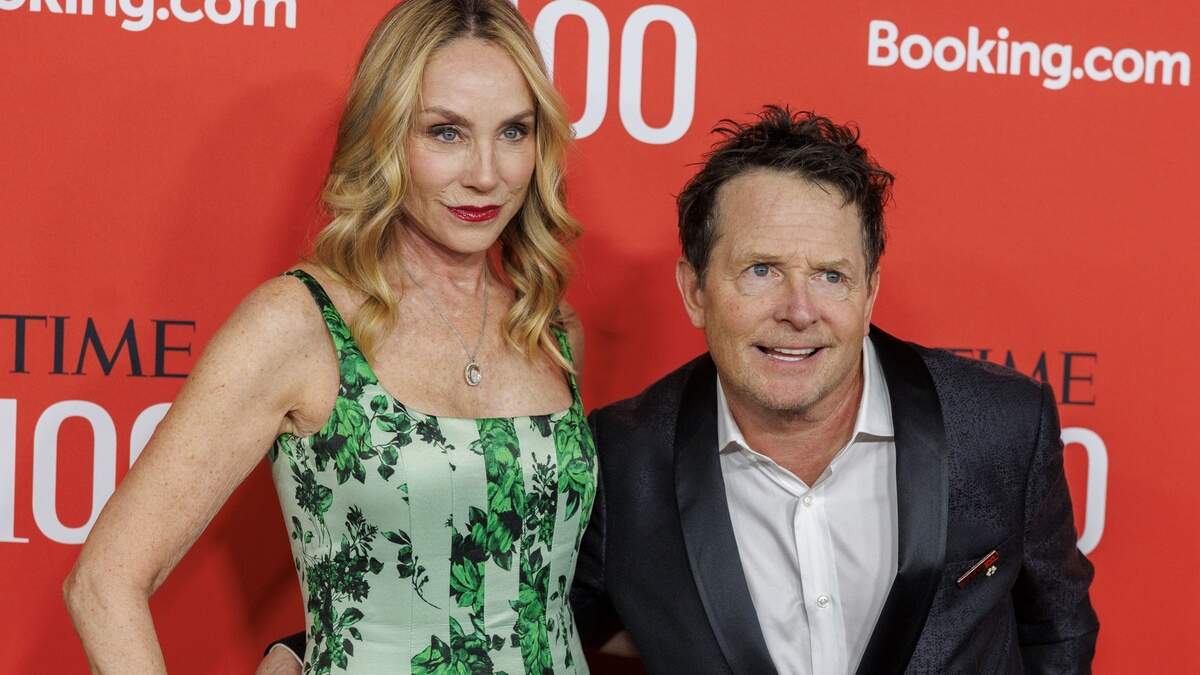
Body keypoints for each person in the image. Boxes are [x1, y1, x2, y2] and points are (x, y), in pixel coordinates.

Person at [64, 1, 599, 674]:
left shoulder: (549, 328)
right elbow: (103, 583)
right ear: (385, 135)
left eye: (514, 131)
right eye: (446, 133)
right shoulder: (299, 323)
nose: (486, 174)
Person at [566, 107, 1099, 674]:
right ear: (695, 290)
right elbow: (547, 623)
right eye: (762, 270)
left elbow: (1058, 632)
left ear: (869, 294)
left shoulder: (1002, 426)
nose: (799, 311)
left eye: (830, 276)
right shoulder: (620, 459)